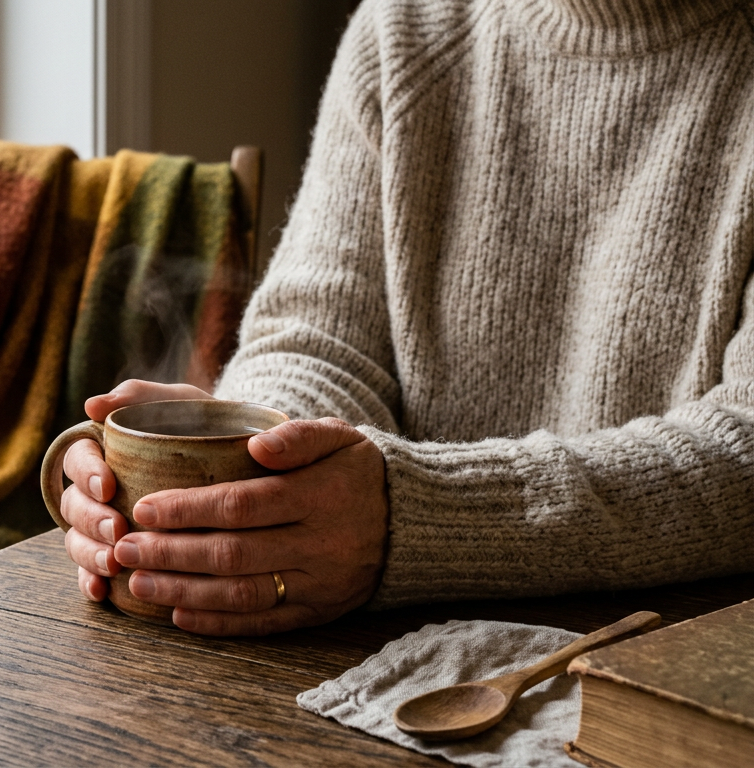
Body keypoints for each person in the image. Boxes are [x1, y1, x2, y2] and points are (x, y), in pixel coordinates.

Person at [57, 0, 754, 635]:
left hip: (669, 674)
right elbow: (318, 344)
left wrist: (408, 522)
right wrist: (263, 460)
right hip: (368, 656)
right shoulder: (405, 33)